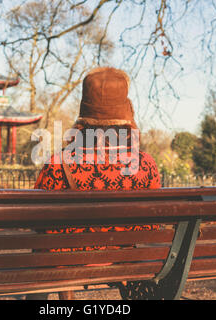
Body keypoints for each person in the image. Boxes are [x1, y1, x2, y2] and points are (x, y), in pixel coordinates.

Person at [30, 67, 161, 300]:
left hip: (64, 262)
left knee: (45, 247)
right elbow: (153, 224)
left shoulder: (58, 163)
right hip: (124, 260)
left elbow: (36, 222)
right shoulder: (146, 164)